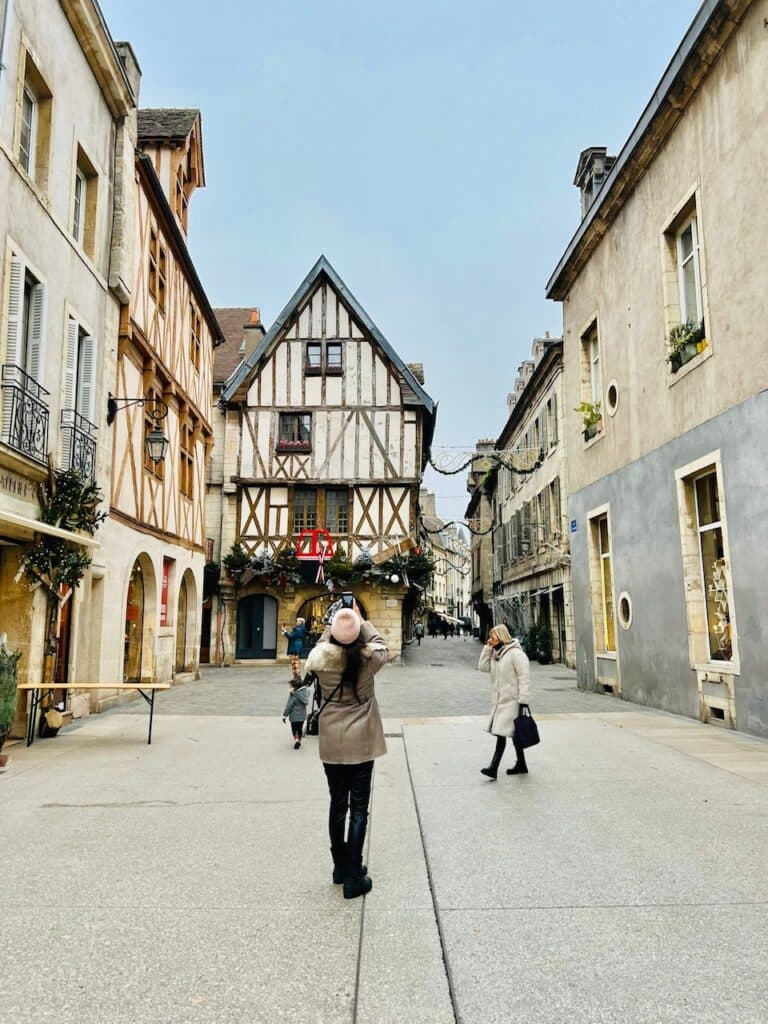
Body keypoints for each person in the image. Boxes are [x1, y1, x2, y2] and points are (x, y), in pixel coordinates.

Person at [304, 608, 389, 899]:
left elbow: (321, 644)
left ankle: (339, 867)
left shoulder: (320, 658)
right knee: (359, 808)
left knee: (337, 804)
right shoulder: (368, 659)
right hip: (362, 740)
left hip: (332, 740)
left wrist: (334, 624)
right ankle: (354, 875)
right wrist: (361, 621)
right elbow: (382, 645)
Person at [478, 623, 531, 779]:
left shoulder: (515, 654)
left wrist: (523, 700)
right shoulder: (496, 654)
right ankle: (522, 764)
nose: (490, 639)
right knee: (514, 734)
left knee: (501, 733)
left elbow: (524, 678)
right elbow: (483, 667)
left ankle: (493, 768)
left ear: (501, 636)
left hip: (513, 701)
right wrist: (487, 649)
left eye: (492, 636)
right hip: (500, 700)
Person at [282, 677, 310, 749]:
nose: (289, 687)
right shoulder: (305, 693)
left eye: (290, 686)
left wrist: (284, 716)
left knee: (294, 728)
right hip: (302, 716)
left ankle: (297, 740)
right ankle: (299, 740)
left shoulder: (293, 695)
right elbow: (308, 691)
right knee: (300, 728)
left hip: (294, 716)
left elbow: (289, 706)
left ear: (294, 687)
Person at [281, 616, 306, 682]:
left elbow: (291, 637)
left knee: (294, 663)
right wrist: (285, 632)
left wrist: (285, 631)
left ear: (300, 622)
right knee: (294, 662)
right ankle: (296, 677)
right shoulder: (299, 629)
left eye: (297, 621)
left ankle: (297, 677)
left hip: (295, 646)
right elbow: (293, 635)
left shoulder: (298, 629)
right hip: (296, 646)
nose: (296, 622)